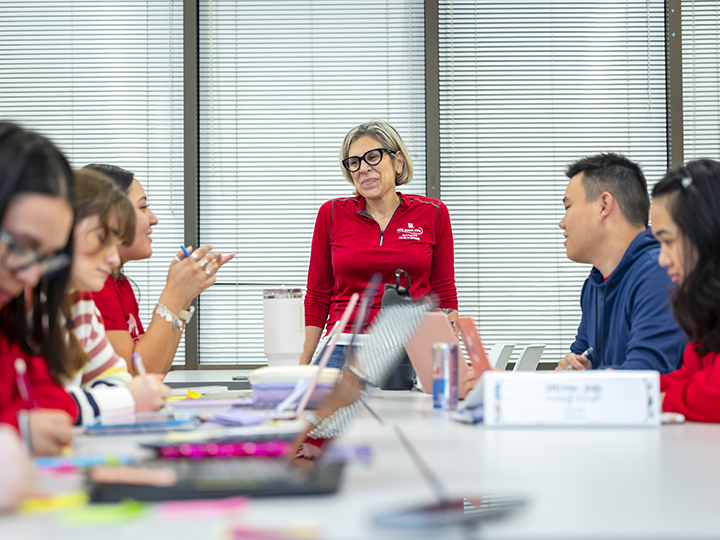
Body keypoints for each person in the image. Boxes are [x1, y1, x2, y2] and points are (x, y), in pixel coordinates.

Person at [301, 121, 458, 367]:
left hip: (413, 346)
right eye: (354, 162)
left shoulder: (433, 212)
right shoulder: (331, 214)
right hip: (344, 346)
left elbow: (444, 294)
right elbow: (318, 296)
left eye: (372, 157)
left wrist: (451, 365)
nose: (363, 168)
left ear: (398, 161)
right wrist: (303, 365)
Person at [82, 164, 234, 376]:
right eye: (143, 208)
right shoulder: (95, 287)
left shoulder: (120, 284)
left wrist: (184, 297)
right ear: (110, 219)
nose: (154, 219)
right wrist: (173, 293)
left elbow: (157, 370)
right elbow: (134, 376)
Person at [554, 153, 686, 372]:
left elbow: (643, 377)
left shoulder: (659, 272)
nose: (561, 223)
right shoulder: (595, 283)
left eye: (568, 207)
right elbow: (580, 359)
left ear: (604, 205)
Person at [64, 168, 170, 425]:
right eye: (102, 239)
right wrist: (175, 297)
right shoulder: (92, 288)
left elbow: (116, 377)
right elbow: (42, 407)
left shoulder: (80, 300)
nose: (113, 259)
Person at [0, 122, 77, 456]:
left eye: (46, 258)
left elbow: (55, 402)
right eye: (19, 246)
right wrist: (19, 430)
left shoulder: (8, 316)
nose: (31, 277)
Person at [651, 159, 720, 422]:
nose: (662, 259)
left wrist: (665, 400)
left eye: (668, 241)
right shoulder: (706, 304)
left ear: (707, 234)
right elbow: (690, 375)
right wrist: (632, 388)